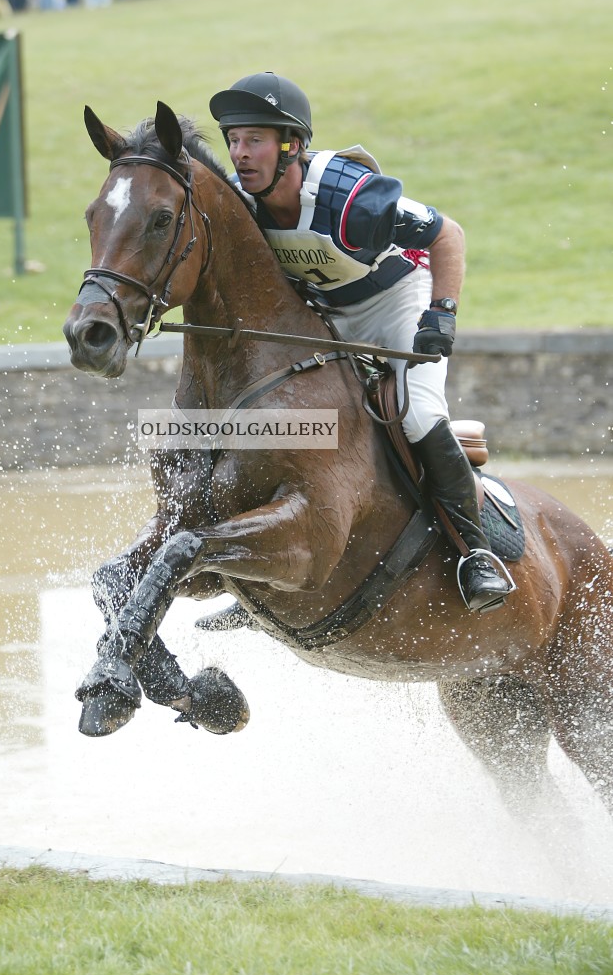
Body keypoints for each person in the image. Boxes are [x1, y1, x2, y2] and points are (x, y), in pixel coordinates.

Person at [208, 71, 513, 613]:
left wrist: (441, 314)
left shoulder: (349, 196)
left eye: (253, 139)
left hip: (397, 303)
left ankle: (476, 553)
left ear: (292, 145)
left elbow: (449, 234)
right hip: (328, 316)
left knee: (416, 414)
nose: (240, 154)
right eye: (233, 141)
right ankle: (274, 557)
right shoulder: (243, 202)